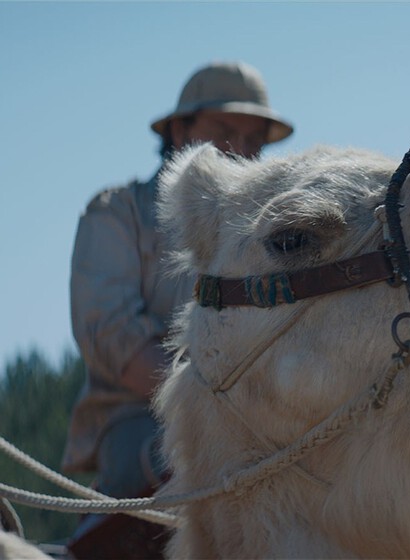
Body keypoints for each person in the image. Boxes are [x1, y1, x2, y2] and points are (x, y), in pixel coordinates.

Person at [61, 61, 293, 532]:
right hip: (136, 419)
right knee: (171, 460)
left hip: (264, 421)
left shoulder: (271, 237)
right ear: (180, 130)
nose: (241, 152)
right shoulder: (116, 213)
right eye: (225, 131)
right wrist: (223, 406)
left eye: (254, 142)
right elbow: (114, 338)